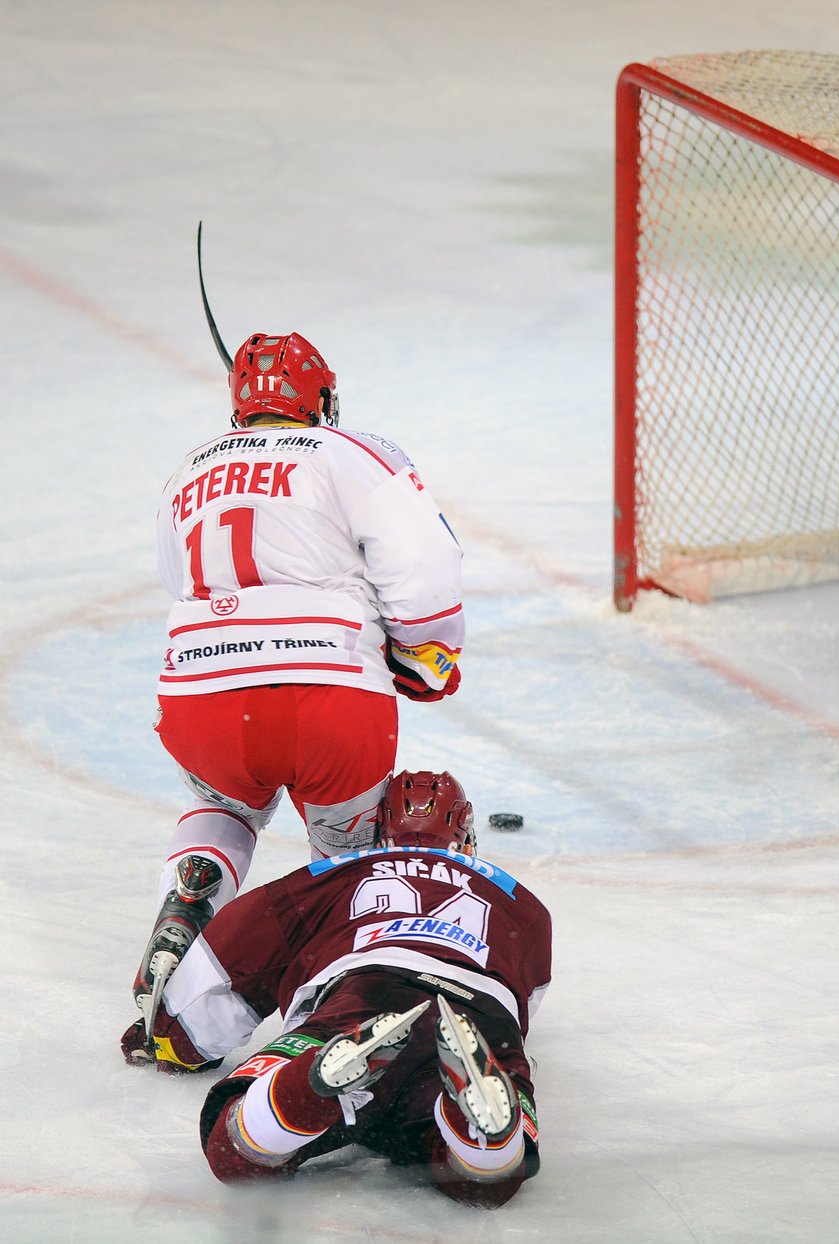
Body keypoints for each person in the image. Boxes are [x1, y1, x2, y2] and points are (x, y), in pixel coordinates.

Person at [133, 332, 464, 1029]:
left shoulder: (186, 469)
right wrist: (427, 651)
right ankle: (331, 1007)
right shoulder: (355, 452)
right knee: (344, 859)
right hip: (330, 697)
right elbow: (425, 563)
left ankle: (189, 902)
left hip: (201, 696)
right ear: (320, 397)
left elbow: (178, 579)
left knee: (227, 808)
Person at [122, 770, 551, 1209]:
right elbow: (522, 1007)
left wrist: (170, 1037)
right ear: (465, 834)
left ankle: (310, 1085)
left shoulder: (334, 873)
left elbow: (231, 966)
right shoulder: (525, 906)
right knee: (483, 1184)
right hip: (479, 1016)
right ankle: (475, 1132)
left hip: (365, 998)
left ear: (379, 830)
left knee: (234, 1151)